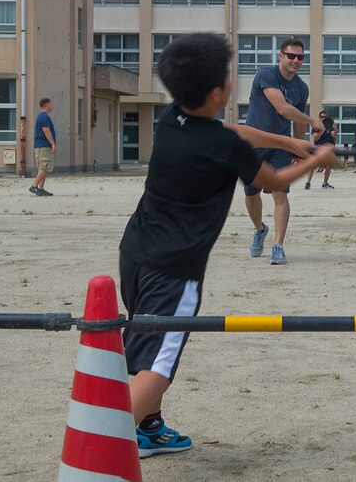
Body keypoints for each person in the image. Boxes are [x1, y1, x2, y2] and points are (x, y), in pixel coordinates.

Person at [118, 33, 336, 459]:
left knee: (147, 341)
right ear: (218, 91)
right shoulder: (223, 147)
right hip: (174, 270)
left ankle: (149, 428)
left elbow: (235, 130)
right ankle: (97, 442)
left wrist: (292, 143)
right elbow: (270, 181)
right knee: (159, 366)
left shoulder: (172, 119)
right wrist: (316, 160)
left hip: (136, 254)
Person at [244, 38, 323, 265]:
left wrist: (297, 149)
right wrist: (313, 122)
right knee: (251, 194)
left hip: (279, 145)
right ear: (281, 56)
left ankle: (278, 246)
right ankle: (260, 230)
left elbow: (297, 123)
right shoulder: (266, 75)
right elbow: (283, 108)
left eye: (300, 57)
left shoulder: (301, 88)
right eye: (291, 56)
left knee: (281, 194)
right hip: (254, 143)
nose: (296, 61)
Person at [29, 98, 56, 196]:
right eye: (51, 104)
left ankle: (40, 188)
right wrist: (53, 143)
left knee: (44, 167)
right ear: (46, 104)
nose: (52, 106)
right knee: (44, 167)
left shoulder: (42, 116)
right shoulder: (43, 116)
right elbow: (46, 131)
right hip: (43, 145)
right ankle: (34, 186)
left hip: (42, 145)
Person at [305, 116, 337, 189]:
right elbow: (315, 137)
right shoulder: (316, 128)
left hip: (327, 150)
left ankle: (325, 183)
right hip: (317, 149)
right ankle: (308, 183)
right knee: (312, 166)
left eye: (324, 117)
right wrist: (321, 131)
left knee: (328, 166)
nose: (323, 118)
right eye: (322, 117)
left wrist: (335, 128)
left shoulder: (331, 129)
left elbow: (334, 135)